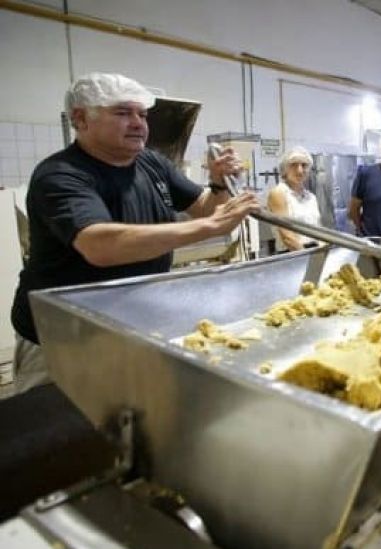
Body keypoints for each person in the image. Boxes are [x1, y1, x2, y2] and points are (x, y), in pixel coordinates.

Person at [9, 72, 260, 396]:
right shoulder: (61, 174)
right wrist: (211, 227)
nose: (139, 123)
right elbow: (101, 245)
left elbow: (204, 207)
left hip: (132, 326)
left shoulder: (151, 163)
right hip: (61, 339)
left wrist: (216, 183)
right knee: (57, 436)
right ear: (81, 119)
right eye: (123, 113)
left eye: (142, 114)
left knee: (126, 425)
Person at [267, 146, 321, 252]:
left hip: (312, 251)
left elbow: (318, 231)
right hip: (291, 254)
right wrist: (307, 258)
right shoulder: (278, 193)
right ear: (285, 169)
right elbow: (287, 237)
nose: (300, 170)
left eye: (304, 165)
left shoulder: (311, 197)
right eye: (294, 165)